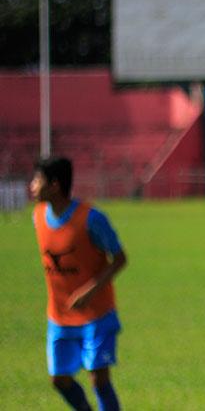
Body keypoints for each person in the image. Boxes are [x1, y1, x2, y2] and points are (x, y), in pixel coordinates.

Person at [30, 157, 126, 411]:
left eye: (37, 180)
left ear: (55, 185)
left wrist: (90, 290)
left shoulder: (91, 219)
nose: (32, 186)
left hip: (97, 314)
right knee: (59, 379)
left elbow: (119, 258)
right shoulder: (37, 217)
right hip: (59, 316)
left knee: (99, 378)